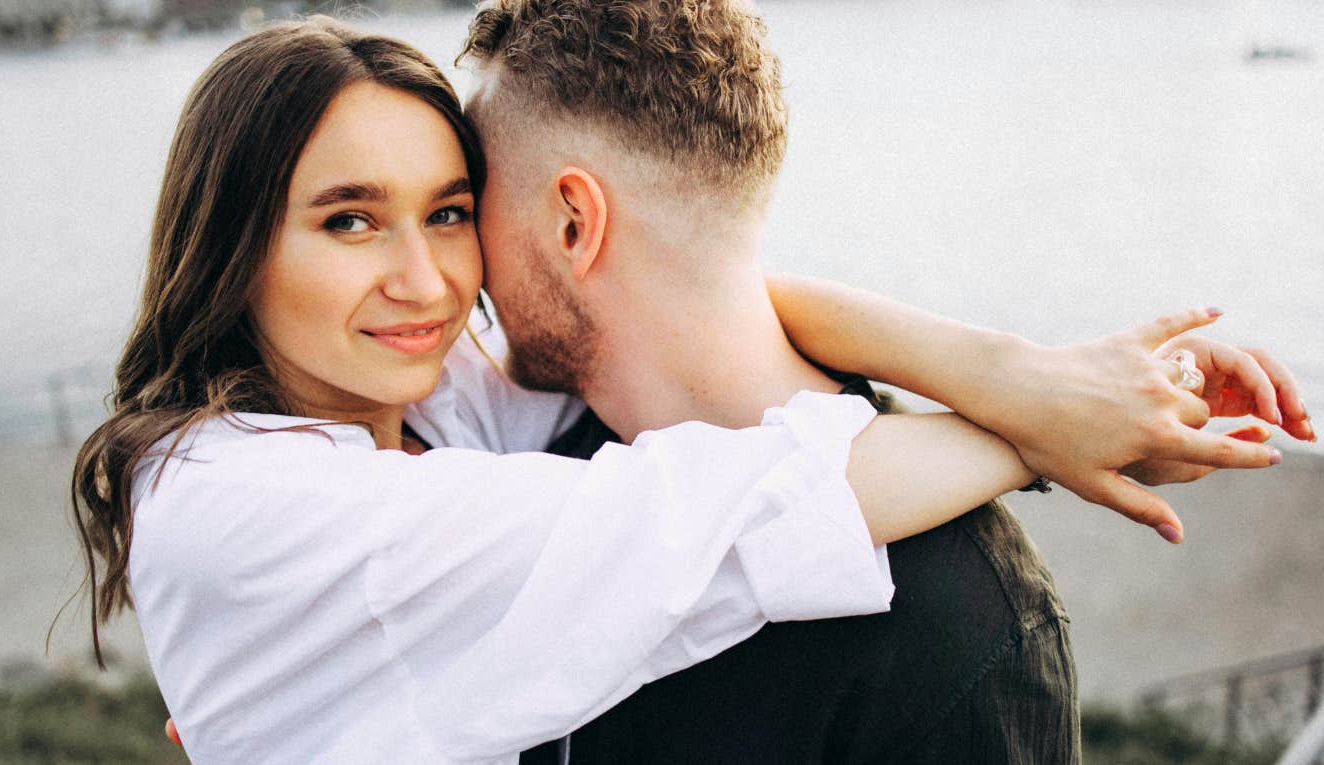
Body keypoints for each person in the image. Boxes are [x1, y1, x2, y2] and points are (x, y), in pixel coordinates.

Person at [97, 14, 1304, 765]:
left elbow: (730, 295)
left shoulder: (443, 409)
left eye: (454, 212)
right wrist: (1037, 424)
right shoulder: (236, 501)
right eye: (348, 219)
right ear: (237, 239)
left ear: (570, 218)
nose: (430, 281)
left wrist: (1026, 376)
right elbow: (706, 512)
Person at [443, 2, 1312, 762]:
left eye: (469, 198)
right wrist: (1030, 394)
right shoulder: (528, 451)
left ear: (573, 222)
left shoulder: (963, 621)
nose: (459, 255)